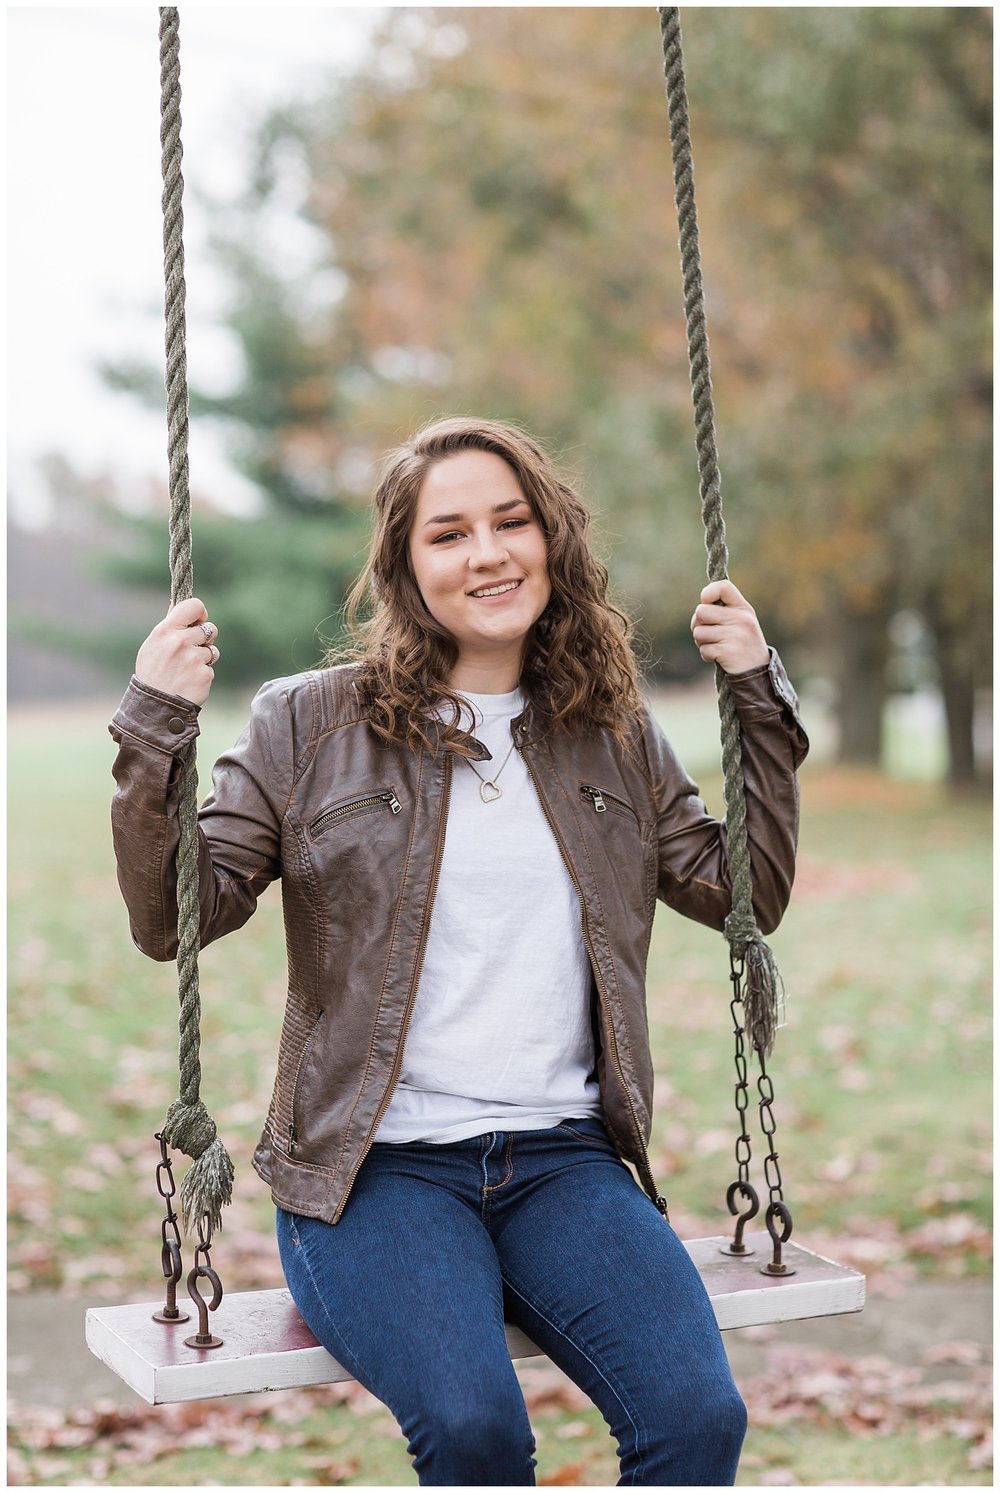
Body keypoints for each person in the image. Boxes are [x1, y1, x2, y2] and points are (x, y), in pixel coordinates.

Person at [110, 415, 807, 1486]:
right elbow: (177, 919)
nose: (486, 553)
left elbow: (744, 891)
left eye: (510, 521)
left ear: (550, 539)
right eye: (448, 533)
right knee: (477, 1430)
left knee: (696, 1417)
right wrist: (157, 725)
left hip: (563, 1160)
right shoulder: (310, 724)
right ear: (404, 566)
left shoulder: (610, 728)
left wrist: (757, 692)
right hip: (373, 1172)